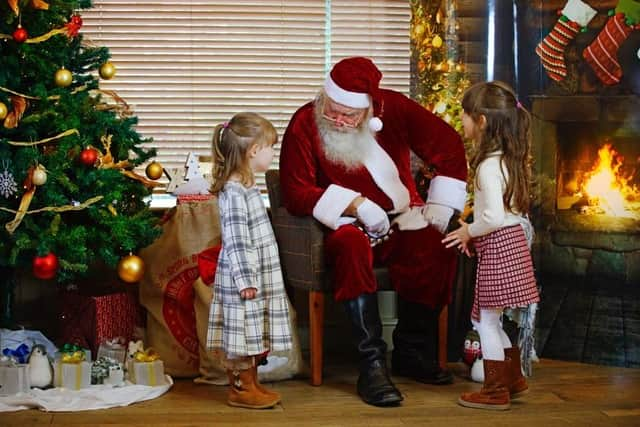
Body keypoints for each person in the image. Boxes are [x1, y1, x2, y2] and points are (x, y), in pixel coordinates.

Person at [279, 57, 468, 406]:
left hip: (400, 219)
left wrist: (439, 208)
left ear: (367, 112)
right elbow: (294, 191)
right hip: (345, 226)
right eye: (331, 110)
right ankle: (372, 364)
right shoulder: (305, 122)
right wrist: (355, 204)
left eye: (348, 115)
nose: (337, 120)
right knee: (351, 245)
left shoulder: (394, 108)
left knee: (434, 241)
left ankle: (411, 351)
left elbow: (450, 145)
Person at [442, 81, 540, 411]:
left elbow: (494, 217)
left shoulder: (486, 166)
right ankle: (512, 379)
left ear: (481, 121)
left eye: (465, 116)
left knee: (485, 321)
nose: (462, 122)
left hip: (498, 246)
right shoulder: (509, 160)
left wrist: (469, 230)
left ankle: (495, 389)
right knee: (494, 320)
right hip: (513, 246)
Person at [206, 112, 293, 409]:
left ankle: (251, 383)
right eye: (271, 148)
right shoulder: (233, 191)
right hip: (245, 279)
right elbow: (237, 238)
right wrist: (246, 280)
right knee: (243, 333)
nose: (272, 154)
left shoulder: (245, 186)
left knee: (253, 332)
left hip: (258, 275)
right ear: (254, 150)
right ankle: (241, 389)